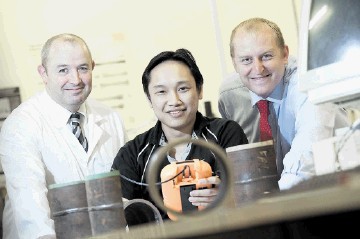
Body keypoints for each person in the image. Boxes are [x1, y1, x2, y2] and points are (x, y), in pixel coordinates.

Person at [0, 33, 127, 239]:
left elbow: (123, 193)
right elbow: (32, 214)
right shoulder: (21, 125)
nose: (75, 79)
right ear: (43, 73)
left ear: (93, 67)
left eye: (83, 68)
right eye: (63, 70)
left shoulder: (111, 117)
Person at [112, 48, 248, 220]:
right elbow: (119, 216)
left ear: (199, 90)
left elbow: (250, 196)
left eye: (183, 88)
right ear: (149, 99)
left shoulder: (225, 134)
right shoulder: (132, 154)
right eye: (161, 92)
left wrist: (225, 199)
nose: (174, 101)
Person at [218, 17, 350, 190]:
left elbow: (305, 162)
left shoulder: (307, 85)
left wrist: (271, 207)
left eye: (266, 56)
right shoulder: (230, 96)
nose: (258, 69)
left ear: (285, 54)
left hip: (337, 187)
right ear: (234, 63)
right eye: (246, 60)